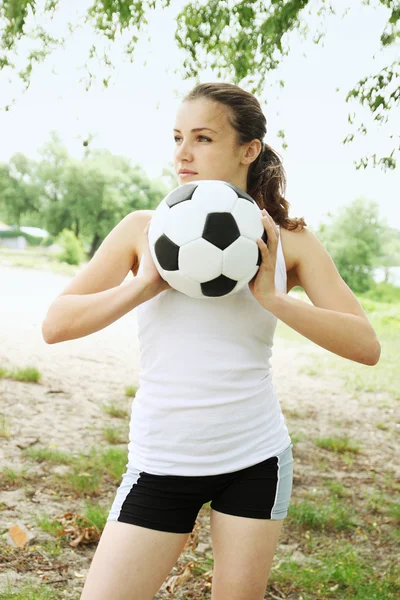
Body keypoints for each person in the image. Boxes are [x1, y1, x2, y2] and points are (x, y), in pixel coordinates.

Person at [42, 82, 381, 600]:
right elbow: (56, 324)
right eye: (178, 137)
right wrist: (143, 285)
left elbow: (366, 345)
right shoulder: (144, 229)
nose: (182, 152)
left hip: (255, 457)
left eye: (202, 138)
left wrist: (275, 299)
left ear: (249, 150)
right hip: (162, 461)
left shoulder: (288, 241)